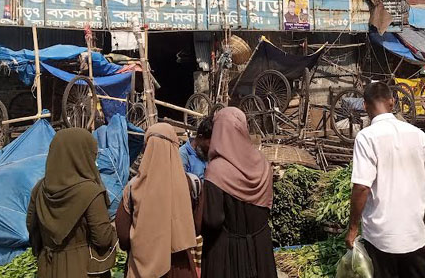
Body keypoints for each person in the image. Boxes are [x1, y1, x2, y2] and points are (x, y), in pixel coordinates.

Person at [346, 82, 425, 278]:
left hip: (380, 239)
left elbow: (361, 187)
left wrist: (352, 229)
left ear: (365, 106)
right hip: (414, 236)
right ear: (392, 102)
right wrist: (418, 192)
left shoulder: (366, 137)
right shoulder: (416, 134)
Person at [27, 128, 117, 278]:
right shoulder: (91, 192)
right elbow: (102, 239)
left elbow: (32, 227)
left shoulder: (39, 189)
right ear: (82, 156)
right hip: (81, 268)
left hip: (47, 267)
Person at [116, 123, 201, 278]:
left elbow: (122, 234)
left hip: (142, 268)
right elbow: (198, 226)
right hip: (180, 266)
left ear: (146, 148)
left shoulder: (133, 187)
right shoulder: (191, 184)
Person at [201, 107, 277, 278]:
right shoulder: (263, 164)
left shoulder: (216, 170)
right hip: (260, 250)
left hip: (227, 255)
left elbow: (213, 220)